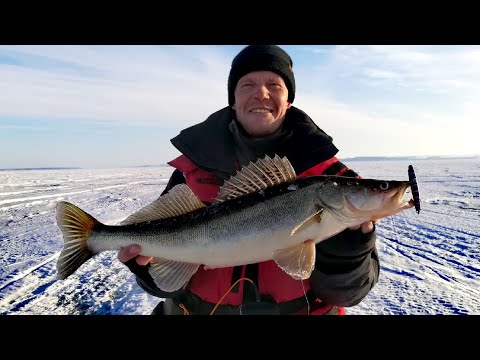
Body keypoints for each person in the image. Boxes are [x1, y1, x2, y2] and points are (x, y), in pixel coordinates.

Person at [118, 45, 379, 315]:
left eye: (274, 84)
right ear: (233, 98)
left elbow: (349, 294)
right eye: (247, 84)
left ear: (289, 99)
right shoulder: (190, 172)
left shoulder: (335, 181)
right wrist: (148, 269)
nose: (261, 93)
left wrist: (348, 253)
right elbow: (165, 285)